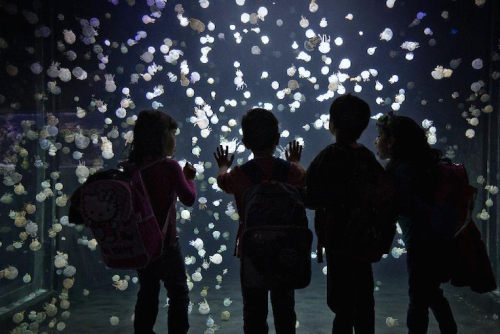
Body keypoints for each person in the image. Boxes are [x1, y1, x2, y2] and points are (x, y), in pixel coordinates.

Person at [214, 108, 305, 334]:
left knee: (254, 310)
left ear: (244, 142)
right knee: (284, 307)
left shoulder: (240, 174)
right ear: (277, 138)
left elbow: (223, 182)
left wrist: (223, 165)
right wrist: (295, 161)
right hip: (285, 249)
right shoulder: (288, 170)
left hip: (252, 250)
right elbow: (303, 180)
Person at [375, 112, 457, 334]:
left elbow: (409, 205)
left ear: (391, 142)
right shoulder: (419, 165)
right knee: (430, 291)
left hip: (422, 241)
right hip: (434, 238)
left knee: (419, 297)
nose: (376, 141)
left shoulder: (404, 170)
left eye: (379, 135)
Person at [306, 94, 382, 333]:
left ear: (332, 124)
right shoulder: (368, 157)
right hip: (365, 239)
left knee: (342, 304)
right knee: (364, 300)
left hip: (338, 239)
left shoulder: (330, 155)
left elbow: (312, 196)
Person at [125, 110, 197, 334]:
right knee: (178, 292)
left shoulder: (132, 167)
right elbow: (189, 198)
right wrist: (190, 179)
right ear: (163, 137)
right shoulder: (169, 167)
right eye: (173, 134)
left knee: (147, 291)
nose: (175, 139)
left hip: (142, 243)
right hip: (166, 244)